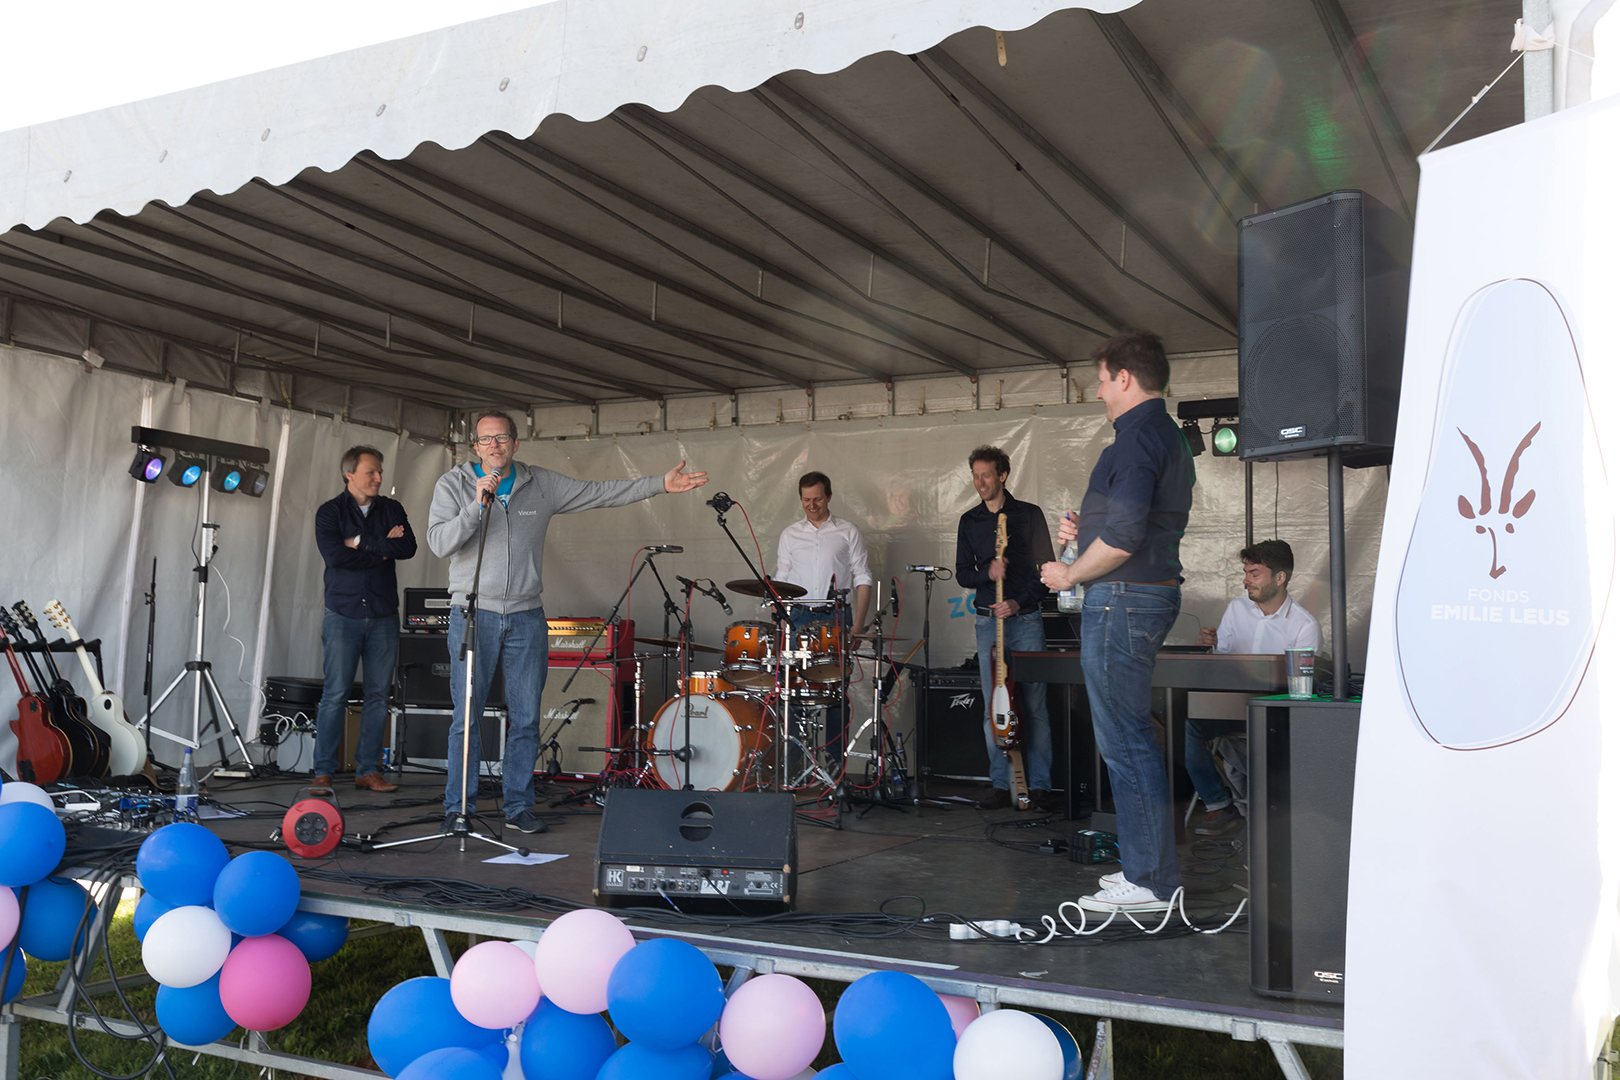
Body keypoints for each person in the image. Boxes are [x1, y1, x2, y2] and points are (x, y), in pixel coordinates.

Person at [426, 410, 708, 834]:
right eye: (485, 440)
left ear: (515, 443)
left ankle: (518, 806)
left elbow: (600, 492)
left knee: (525, 718)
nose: (493, 446)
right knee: (467, 717)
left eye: (501, 438)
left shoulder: (540, 484)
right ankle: (458, 809)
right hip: (473, 613)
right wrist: (474, 507)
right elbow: (439, 542)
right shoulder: (454, 485)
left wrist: (659, 485)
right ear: (476, 447)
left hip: (526, 616)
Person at [1041, 331, 1195, 914]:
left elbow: (1126, 537)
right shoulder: (1164, 435)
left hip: (1123, 600)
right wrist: (1085, 530)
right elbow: (1132, 525)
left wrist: (1069, 572)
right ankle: (1146, 870)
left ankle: (1151, 881)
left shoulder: (1135, 440)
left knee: (1125, 740)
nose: (1100, 392)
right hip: (1141, 595)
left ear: (1124, 378)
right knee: (1130, 737)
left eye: (1103, 381)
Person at [1188, 540, 1320, 834]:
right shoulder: (1236, 608)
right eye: (1246, 573)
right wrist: (1206, 648)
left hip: (1274, 714)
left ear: (1280, 577)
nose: (1246, 580)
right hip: (1230, 707)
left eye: (1255, 573)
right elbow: (1219, 662)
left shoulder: (1304, 625)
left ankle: (1275, 815)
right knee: (1184, 724)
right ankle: (1218, 804)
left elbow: (1302, 688)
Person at [955, 446, 1055, 811]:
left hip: (1025, 619)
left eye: (986, 475)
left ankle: (1039, 785)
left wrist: (1018, 601)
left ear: (1002, 475)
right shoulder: (969, 521)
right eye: (975, 475)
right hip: (988, 623)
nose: (980, 482)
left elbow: (1047, 570)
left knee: (1034, 704)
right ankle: (1001, 783)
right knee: (993, 705)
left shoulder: (1029, 515)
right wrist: (988, 572)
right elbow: (963, 573)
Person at [312, 445, 416, 795]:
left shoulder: (392, 509)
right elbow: (334, 556)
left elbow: (407, 548)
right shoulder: (330, 512)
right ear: (349, 474)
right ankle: (323, 772)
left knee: (378, 696)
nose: (378, 478)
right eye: (371, 472)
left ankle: (369, 770)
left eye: (379, 472)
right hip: (343, 614)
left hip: (383, 614)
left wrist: (359, 541)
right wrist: (381, 548)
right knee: (335, 694)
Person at [775, 471, 873, 766]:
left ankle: (834, 766)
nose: (812, 505)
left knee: (835, 692)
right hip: (798, 617)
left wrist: (858, 625)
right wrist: (782, 622)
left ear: (829, 496)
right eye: (806, 499)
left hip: (836, 616)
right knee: (793, 691)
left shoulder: (848, 531)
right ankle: (795, 767)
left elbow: (863, 577)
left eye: (817, 499)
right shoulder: (789, 534)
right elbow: (782, 578)